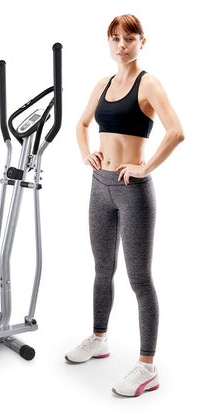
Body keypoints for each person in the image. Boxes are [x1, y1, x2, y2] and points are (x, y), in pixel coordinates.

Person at [65, 14, 184, 397]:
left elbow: (176, 132)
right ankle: (99, 339)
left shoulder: (149, 83)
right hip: (100, 186)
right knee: (103, 270)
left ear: (141, 42)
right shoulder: (102, 84)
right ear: (109, 42)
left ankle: (147, 367)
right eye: (115, 38)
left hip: (133, 191)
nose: (121, 45)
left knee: (139, 280)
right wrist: (86, 153)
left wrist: (144, 167)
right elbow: (81, 124)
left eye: (129, 38)